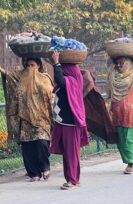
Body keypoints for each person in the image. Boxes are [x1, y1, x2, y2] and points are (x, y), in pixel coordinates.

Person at [0, 58, 53, 182]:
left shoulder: (45, 78)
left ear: (39, 66)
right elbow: (10, 77)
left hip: (42, 119)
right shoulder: (21, 78)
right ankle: (34, 174)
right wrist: (1, 70)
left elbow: (50, 95)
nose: (30, 68)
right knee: (27, 147)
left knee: (41, 143)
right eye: (28, 65)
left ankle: (45, 167)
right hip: (25, 120)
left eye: (33, 65)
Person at [49, 51, 89, 190]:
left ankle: (73, 180)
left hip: (71, 123)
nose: (62, 71)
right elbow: (59, 81)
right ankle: (71, 179)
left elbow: (60, 79)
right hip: (65, 122)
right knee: (68, 152)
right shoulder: (71, 82)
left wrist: (56, 63)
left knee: (72, 153)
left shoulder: (71, 81)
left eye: (64, 68)